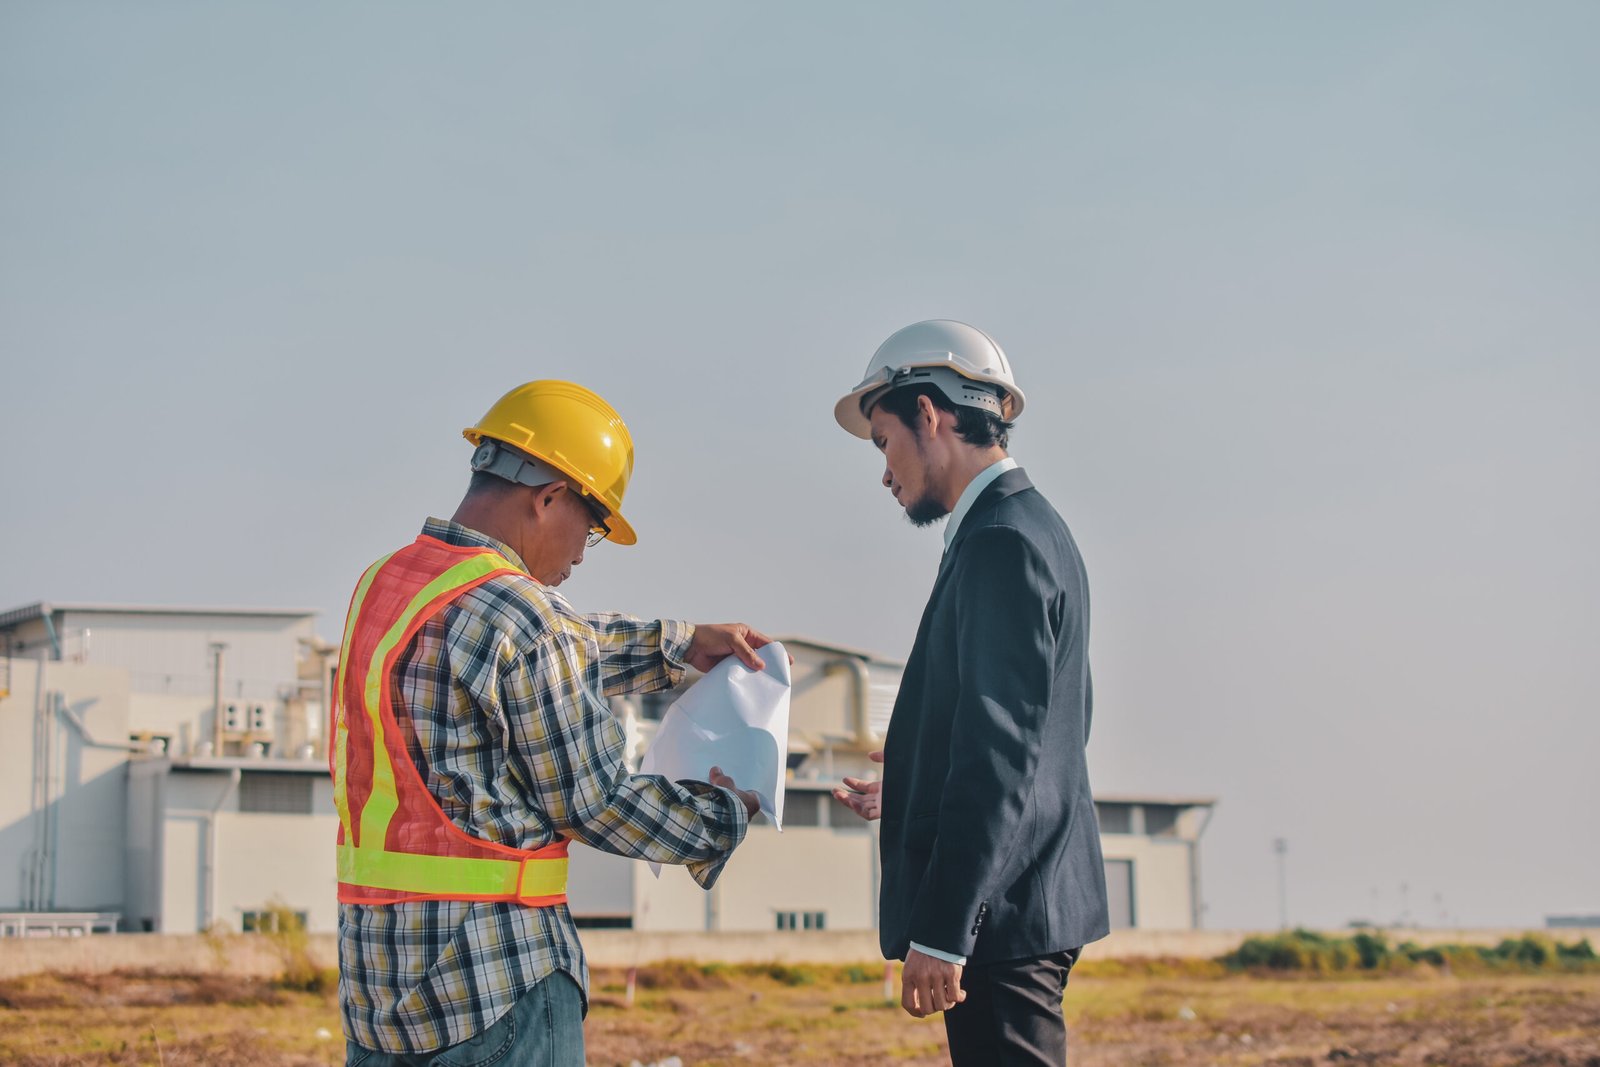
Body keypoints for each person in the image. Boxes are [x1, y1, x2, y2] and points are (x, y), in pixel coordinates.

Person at [333, 379, 768, 1066]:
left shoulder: (383, 589)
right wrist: (724, 815)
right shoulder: (527, 618)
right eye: (592, 526)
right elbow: (594, 800)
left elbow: (521, 653)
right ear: (548, 497)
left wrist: (676, 643)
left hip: (378, 997)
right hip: (497, 984)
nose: (584, 554)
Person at [831, 321, 1110, 1065]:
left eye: (883, 440)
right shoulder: (1028, 527)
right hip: (1023, 898)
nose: (885, 472)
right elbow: (1049, 728)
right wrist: (915, 785)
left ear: (930, 415)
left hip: (1002, 915)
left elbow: (1003, 752)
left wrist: (946, 929)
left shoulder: (999, 542)